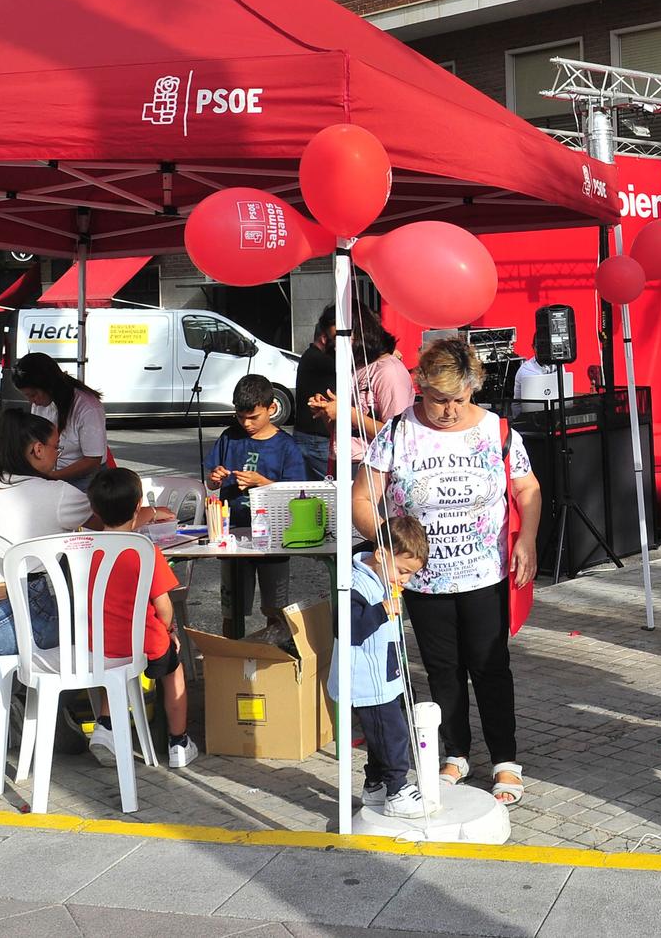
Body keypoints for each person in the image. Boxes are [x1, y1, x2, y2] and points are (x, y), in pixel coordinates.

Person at [353, 337, 540, 807]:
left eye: (459, 399)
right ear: (420, 388)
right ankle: (455, 752)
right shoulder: (396, 432)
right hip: (422, 577)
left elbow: (527, 489)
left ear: (474, 389)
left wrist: (528, 539)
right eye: (439, 400)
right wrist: (384, 547)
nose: (449, 410)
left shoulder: (498, 431)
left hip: (484, 571)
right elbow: (362, 497)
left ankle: (505, 759)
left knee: (490, 666)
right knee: (442, 669)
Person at [85, 468, 198, 768]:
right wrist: (170, 629)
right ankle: (178, 742)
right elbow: (164, 606)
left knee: (111, 670)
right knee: (173, 669)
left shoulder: (87, 549)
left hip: (99, 644)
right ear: (138, 506)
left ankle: (106, 726)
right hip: (144, 644)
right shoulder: (144, 551)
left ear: (94, 509)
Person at [0, 409, 93, 658]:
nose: (58, 455)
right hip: (23, 619)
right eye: (56, 448)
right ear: (38, 449)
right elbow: (110, 518)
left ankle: (12, 692)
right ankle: (43, 693)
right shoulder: (58, 493)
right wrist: (148, 513)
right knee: (92, 630)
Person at [332, 513, 432, 818]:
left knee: (380, 737)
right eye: (402, 571)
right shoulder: (356, 584)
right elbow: (347, 629)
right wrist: (381, 611)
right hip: (366, 679)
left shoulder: (383, 580)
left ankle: (374, 785)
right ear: (381, 554)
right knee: (393, 734)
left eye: (410, 574)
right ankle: (397, 789)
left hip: (385, 673)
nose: (405, 579)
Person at [206, 374, 309, 641]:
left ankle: (274, 657)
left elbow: (297, 495)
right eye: (241, 417)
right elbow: (211, 479)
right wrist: (214, 477)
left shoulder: (285, 446)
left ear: (271, 408)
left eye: (254, 417)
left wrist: (262, 483)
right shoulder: (230, 437)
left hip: (274, 537)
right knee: (232, 608)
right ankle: (233, 654)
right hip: (234, 533)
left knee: (275, 605)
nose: (247, 424)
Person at [311, 302, 415, 462]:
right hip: (345, 463)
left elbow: (397, 435)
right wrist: (327, 411)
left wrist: (347, 412)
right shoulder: (353, 369)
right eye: (334, 341)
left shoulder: (388, 371)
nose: (337, 348)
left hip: (374, 468)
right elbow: (343, 432)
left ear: (363, 333)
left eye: (342, 339)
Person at [12, 353, 108, 490]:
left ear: (47, 385)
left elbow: (93, 460)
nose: (31, 401)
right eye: (27, 396)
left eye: (33, 395)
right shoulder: (40, 404)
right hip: (50, 475)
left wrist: (51, 476)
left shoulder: (87, 408)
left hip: (86, 480)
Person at [290, 309, 336, 480]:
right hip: (317, 439)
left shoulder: (310, 357)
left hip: (309, 436)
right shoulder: (319, 359)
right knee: (332, 489)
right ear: (324, 338)